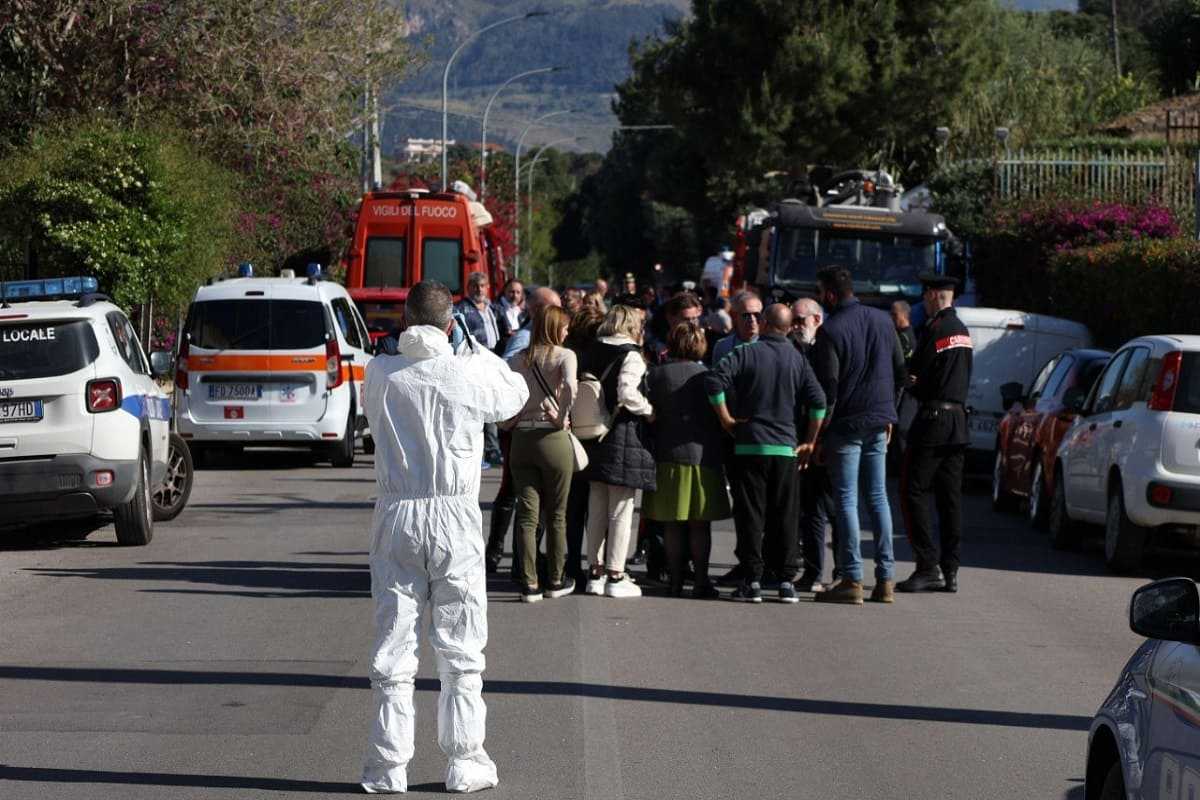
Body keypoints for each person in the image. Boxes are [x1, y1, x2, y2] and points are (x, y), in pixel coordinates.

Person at [361, 280, 528, 794]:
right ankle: (465, 761)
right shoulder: (467, 371)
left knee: (395, 643)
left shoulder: (381, 372)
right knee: (461, 644)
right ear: (451, 323)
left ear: (405, 322)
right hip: (453, 514)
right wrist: (471, 345)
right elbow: (513, 394)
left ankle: (389, 769)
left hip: (397, 511)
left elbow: (370, 406)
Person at [706, 304, 826, 604]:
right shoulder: (798, 360)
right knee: (784, 515)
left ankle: (752, 579)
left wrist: (726, 419)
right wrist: (809, 441)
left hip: (749, 445)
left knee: (751, 515)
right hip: (785, 448)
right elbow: (819, 402)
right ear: (787, 327)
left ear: (764, 322)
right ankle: (785, 580)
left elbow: (714, 381)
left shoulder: (746, 353)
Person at [812, 266, 907, 606]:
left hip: (846, 424)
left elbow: (829, 390)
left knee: (847, 500)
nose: (821, 300)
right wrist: (890, 412)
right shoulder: (884, 321)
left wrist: (819, 435)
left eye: (821, 293)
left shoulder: (831, 331)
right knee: (878, 498)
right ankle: (886, 579)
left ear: (832, 295)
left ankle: (852, 577)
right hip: (879, 420)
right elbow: (900, 372)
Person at [897, 273, 973, 595]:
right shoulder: (962, 331)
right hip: (957, 420)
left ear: (931, 295)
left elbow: (916, 376)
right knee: (949, 498)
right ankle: (950, 569)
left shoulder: (935, 329)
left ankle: (927, 566)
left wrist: (908, 379)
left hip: (933, 419)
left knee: (911, 489)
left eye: (925, 297)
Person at [644, 323, 730, 598]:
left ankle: (675, 581)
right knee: (699, 525)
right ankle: (701, 580)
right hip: (703, 457)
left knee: (672, 523)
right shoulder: (708, 376)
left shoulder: (656, 376)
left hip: (667, 455)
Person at [581, 304, 656, 598]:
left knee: (596, 505)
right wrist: (648, 410)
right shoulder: (631, 355)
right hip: (621, 432)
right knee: (621, 508)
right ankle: (616, 573)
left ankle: (595, 572)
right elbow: (627, 392)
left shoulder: (592, 349)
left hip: (591, 433)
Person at [486, 288, 562, 574]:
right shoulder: (524, 338)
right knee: (512, 488)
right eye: (555, 306)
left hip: (542, 426)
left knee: (531, 493)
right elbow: (506, 375)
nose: (561, 310)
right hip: (518, 425)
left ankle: (523, 556)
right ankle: (496, 552)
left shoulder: (555, 339)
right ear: (538, 310)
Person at [507, 305, 578, 602]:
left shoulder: (516, 360)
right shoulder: (565, 355)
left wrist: (508, 422)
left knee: (526, 515)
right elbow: (572, 388)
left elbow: (505, 395)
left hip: (522, 436)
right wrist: (561, 416)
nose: (567, 332)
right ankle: (556, 580)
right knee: (557, 514)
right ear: (554, 328)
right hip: (552, 437)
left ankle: (529, 583)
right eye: (564, 327)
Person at [788, 297, 837, 592]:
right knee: (810, 509)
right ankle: (813, 571)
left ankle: (843, 571)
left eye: (800, 321)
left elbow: (829, 397)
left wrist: (818, 439)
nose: (795, 327)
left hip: (823, 440)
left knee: (831, 507)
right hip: (800, 438)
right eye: (793, 321)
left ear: (817, 319)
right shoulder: (795, 347)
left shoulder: (826, 347)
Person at [562, 304, 607, 588]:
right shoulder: (602, 356)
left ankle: (572, 563)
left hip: (572, 433)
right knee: (599, 506)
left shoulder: (569, 354)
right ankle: (597, 565)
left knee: (573, 506)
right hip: (599, 435)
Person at [456, 272, 504, 467]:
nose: (479, 290)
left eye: (482, 286)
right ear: (469, 288)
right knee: (477, 407)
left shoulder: (492, 308)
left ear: (487, 288)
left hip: (493, 360)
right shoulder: (462, 309)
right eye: (475, 286)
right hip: (474, 362)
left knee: (492, 405)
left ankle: (492, 449)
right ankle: (484, 450)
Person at [711, 290, 762, 363]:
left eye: (756, 315)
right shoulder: (722, 346)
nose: (752, 319)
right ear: (735, 316)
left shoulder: (769, 347)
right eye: (746, 315)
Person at [494, 279, 526, 348]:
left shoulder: (522, 312)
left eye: (518, 292)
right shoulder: (495, 309)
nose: (515, 296)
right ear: (504, 291)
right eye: (512, 292)